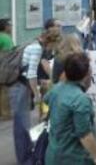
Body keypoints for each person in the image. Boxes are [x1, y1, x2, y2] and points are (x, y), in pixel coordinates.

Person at [10, 28, 61, 164]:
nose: (53, 50)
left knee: (22, 125)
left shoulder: (33, 44)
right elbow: (30, 74)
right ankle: (24, 159)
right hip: (20, 88)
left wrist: (40, 83)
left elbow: (26, 69)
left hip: (19, 86)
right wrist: (38, 96)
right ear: (51, 42)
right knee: (22, 126)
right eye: (54, 46)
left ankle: (26, 156)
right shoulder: (37, 49)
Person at [45, 53, 96, 165]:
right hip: (73, 157)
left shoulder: (57, 89)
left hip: (53, 153)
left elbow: (46, 99)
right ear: (87, 75)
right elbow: (84, 134)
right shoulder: (81, 100)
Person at [0, 18, 13, 121]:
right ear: (5, 27)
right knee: (4, 90)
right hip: (3, 67)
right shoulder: (6, 38)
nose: (11, 27)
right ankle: (5, 114)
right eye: (9, 25)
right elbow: (8, 55)